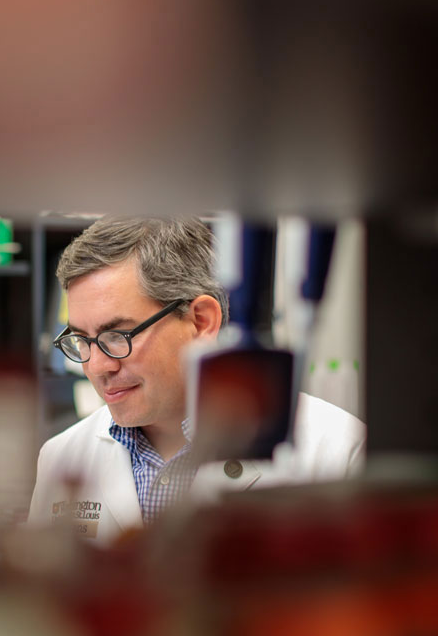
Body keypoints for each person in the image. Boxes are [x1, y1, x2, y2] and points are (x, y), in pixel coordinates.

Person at [28, 216, 365, 546]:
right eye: (80, 340)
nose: (97, 366)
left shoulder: (335, 450)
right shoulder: (61, 456)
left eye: (116, 335)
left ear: (202, 322)